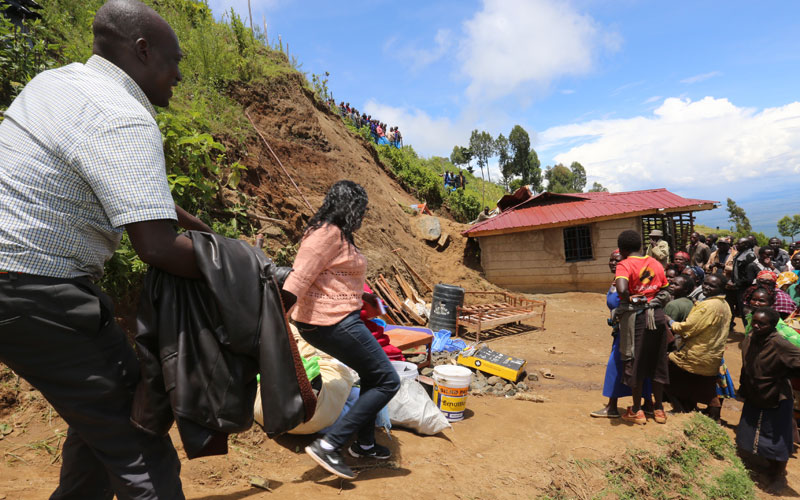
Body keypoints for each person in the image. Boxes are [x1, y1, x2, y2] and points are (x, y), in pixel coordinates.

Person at [0, 1, 212, 497]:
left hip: (14, 283)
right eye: (174, 60)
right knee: (141, 447)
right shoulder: (123, 117)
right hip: (38, 288)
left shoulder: (55, 84)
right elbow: (156, 247)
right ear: (142, 51)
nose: (179, 75)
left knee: (100, 424)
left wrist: (212, 238)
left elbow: (139, 193)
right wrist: (242, 266)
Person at [281, 180, 401, 480]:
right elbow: (297, 281)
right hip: (329, 323)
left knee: (374, 377)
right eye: (361, 208)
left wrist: (366, 297)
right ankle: (329, 444)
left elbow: (335, 279)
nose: (363, 214)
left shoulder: (339, 234)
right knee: (387, 380)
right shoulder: (326, 234)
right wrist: (275, 321)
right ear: (351, 206)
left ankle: (364, 444)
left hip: (340, 318)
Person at [737, 307, 800, 493]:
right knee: (752, 428)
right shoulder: (751, 338)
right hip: (755, 393)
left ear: (772, 326)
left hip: (775, 396)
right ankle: (760, 462)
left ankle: (777, 472)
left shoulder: (779, 343)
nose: (755, 325)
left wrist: (784, 374)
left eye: (761, 324)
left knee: (775, 436)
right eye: (754, 321)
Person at [614, 230, 670, 425]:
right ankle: (659, 409)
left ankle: (637, 411)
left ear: (622, 249)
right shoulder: (655, 263)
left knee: (635, 361)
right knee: (657, 362)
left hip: (638, 320)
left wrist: (629, 296)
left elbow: (621, 289)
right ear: (639, 246)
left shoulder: (624, 264)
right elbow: (664, 288)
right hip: (658, 317)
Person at [591, 250, 653, 419]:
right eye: (610, 260)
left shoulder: (629, 283)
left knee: (616, 365)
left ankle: (613, 407)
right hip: (620, 330)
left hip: (630, 331)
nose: (612, 263)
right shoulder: (617, 281)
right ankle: (646, 404)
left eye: (617, 261)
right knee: (632, 365)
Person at [666, 275, 732, 421]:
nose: (706, 287)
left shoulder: (708, 305)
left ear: (721, 288)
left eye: (712, 286)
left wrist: (670, 321)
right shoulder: (725, 305)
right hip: (712, 356)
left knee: (665, 370)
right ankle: (713, 418)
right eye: (705, 284)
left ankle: (680, 409)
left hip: (696, 354)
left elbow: (688, 327)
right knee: (707, 390)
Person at [732, 237, 757, 325]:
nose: (736, 245)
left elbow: (749, 276)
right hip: (738, 287)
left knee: (746, 312)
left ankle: (749, 333)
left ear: (746, 245)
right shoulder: (739, 254)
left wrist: (737, 283)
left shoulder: (749, 256)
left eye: (739, 244)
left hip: (745, 289)